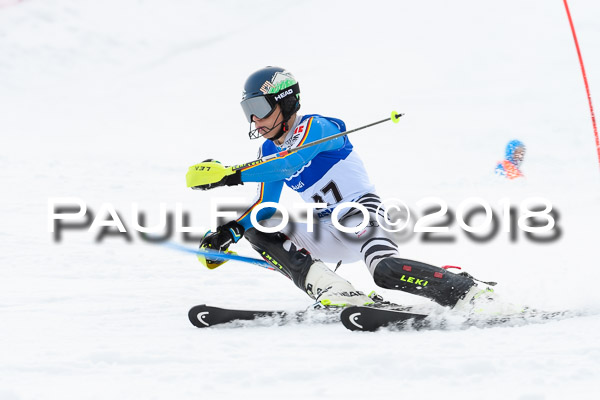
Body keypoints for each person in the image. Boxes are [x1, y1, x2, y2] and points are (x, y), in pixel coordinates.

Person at [187, 66, 487, 310]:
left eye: (260, 107)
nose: (254, 119)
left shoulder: (318, 127)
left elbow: (289, 164)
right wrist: (228, 233)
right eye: (248, 110)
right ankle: (336, 290)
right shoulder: (267, 150)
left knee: (385, 272)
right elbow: (264, 206)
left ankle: (467, 291)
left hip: (360, 214)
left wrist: (229, 175)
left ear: (286, 102)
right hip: (323, 227)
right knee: (260, 227)